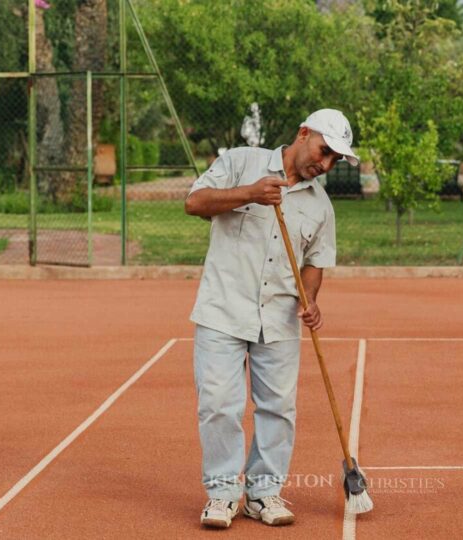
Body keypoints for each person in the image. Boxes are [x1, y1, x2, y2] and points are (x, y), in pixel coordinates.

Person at [184, 109, 359, 529]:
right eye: (325, 151)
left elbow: (315, 261)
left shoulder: (321, 205)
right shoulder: (240, 162)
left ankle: (262, 494)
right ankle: (223, 494)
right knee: (219, 406)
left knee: (278, 408)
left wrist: (311, 300)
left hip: (279, 318)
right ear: (303, 134)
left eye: (336, 159)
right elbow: (194, 202)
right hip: (222, 310)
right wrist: (250, 192)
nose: (327, 164)